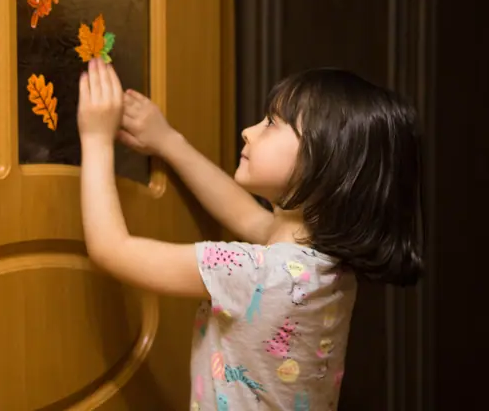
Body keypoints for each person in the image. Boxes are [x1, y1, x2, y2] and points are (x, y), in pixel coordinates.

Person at [77, 57, 423, 410]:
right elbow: (244, 215)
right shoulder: (323, 267)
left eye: (272, 123)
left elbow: (111, 249)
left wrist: (96, 138)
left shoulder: (252, 273)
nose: (249, 130)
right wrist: (169, 142)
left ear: (325, 163)